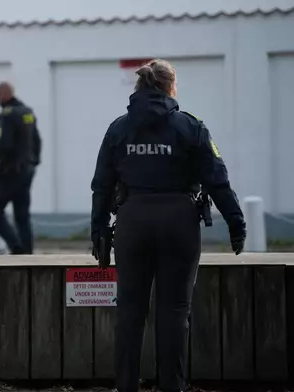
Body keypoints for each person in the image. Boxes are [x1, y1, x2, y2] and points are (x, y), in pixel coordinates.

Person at [89, 59, 246, 392]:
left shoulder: (118, 129)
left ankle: (126, 386)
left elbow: (101, 185)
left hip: (132, 222)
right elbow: (217, 180)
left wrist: (99, 230)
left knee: (130, 310)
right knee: (174, 310)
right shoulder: (191, 127)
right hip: (179, 223)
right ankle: (171, 387)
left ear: (140, 88)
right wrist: (236, 223)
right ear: (170, 87)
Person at [0, 82, 42, 254]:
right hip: (27, 171)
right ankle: (27, 252)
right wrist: (34, 163)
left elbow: (4, 145)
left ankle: (16, 246)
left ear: (4, 94)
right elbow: (37, 141)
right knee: (22, 214)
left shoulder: (7, 115)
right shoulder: (27, 112)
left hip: (11, 171)